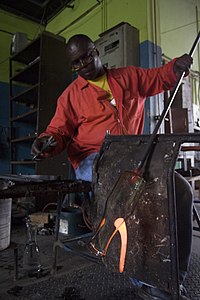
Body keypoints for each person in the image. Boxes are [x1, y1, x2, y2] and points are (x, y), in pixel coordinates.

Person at [31, 34, 193, 299]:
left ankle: (174, 278)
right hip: (92, 159)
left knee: (181, 190)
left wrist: (174, 68)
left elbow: (158, 77)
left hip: (133, 155)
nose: (83, 64)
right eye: (76, 62)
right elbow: (57, 131)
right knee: (130, 194)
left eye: (87, 55)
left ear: (97, 51)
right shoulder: (70, 97)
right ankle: (145, 278)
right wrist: (45, 143)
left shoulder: (128, 77)